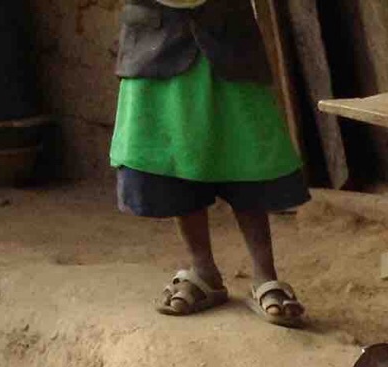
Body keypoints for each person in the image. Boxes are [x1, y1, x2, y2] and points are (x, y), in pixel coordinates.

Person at [111, 0, 308, 325]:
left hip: (227, 33)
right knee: (176, 154)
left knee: (245, 151)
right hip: (155, 40)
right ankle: (202, 270)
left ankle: (264, 275)